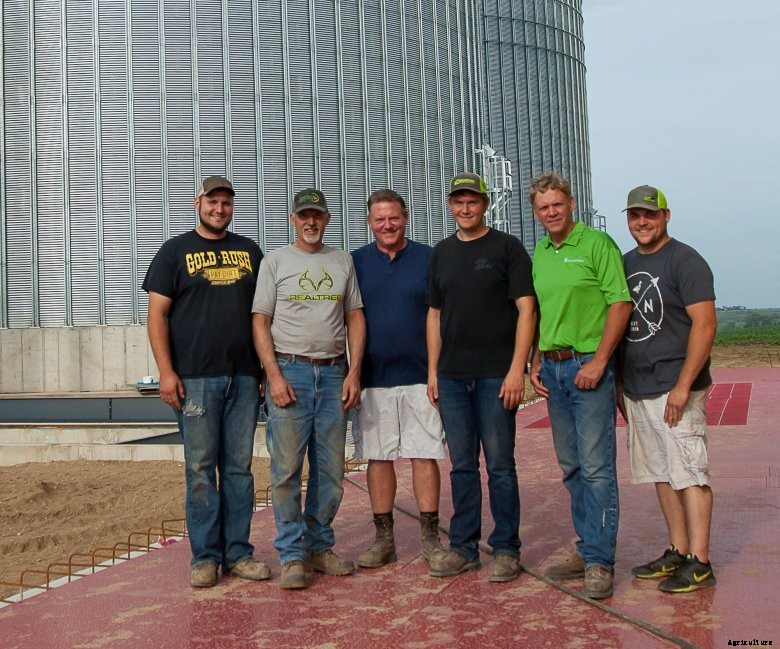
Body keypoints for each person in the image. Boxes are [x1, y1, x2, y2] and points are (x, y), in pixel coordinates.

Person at [143, 176, 270, 588]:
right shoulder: (174, 252)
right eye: (213, 202)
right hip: (195, 380)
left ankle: (238, 552)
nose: (219, 209)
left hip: (245, 378)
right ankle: (205, 557)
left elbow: (263, 316)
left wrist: (267, 370)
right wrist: (166, 371)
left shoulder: (250, 251)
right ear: (198, 203)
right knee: (199, 469)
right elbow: (156, 315)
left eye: (226, 203)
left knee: (239, 469)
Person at [252, 188, 365, 590]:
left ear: (327, 219)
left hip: (334, 374)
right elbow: (260, 321)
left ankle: (319, 546)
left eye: (317, 215)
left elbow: (354, 317)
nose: (311, 222)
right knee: (285, 471)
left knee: (331, 471)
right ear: (293, 220)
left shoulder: (342, 261)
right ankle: (292, 554)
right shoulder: (276, 262)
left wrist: (354, 372)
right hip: (291, 373)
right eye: (304, 216)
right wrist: (275, 376)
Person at [426, 172, 536, 583]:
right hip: (452, 377)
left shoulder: (507, 248)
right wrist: (433, 371)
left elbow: (527, 309)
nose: (465, 208)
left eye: (472, 201)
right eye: (458, 201)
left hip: (495, 376)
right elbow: (434, 315)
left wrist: (516, 369)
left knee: (501, 466)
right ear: (450, 206)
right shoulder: (441, 253)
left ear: (485, 205)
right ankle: (464, 547)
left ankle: (506, 548)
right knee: (462, 466)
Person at [528, 172, 632, 599]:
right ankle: (586, 547)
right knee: (571, 467)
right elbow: (541, 310)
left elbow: (620, 303)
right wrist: (536, 358)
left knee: (596, 468)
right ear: (535, 212)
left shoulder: (596, 245)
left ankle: (600, 563)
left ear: (571, 203)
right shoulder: (540, 251)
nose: (551, 212)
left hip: (588, 365)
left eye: (557, 204)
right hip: (553, 369)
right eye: (542, 207)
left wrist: (601, 360)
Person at [619, 185, 717, 593]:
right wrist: (620, 387)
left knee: (690, 472)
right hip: (639, 388)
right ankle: (677, 550)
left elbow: (706, 324)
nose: (642, 222)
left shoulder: (686, 260)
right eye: (635, 216)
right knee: (661, 472)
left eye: (650, 215)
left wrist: (683, 386)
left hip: (675, 387)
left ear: (666, 216)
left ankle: (700, 561)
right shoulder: (623, 264)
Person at [350, 189, 446, 568]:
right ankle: (383, 538)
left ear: (406, 217)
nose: (387, 225)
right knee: (378, 457)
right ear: (369, 223)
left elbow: (439, 315)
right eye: (379, 219)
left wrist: (437, 371)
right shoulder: (355, 262)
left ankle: (431, 539)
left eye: (393, 217)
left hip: (421, 375)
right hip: (373, 377)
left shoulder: (428, 258)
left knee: (425, 455)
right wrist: (352, 372)